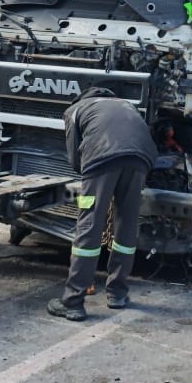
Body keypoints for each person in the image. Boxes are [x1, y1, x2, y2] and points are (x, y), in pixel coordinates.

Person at [47, 87, 157, 321]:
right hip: (140, 161)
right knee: (126, 224)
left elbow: (74, 158)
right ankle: (117, 294)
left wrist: (91, 181)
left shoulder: (75, 110)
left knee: (89, 224)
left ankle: (73, 301)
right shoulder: (126, 105)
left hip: (100, 161)